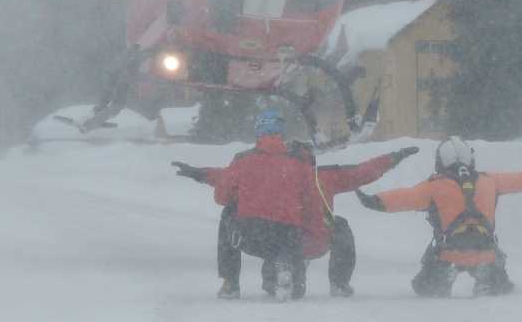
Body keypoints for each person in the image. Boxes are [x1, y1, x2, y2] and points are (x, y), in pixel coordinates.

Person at [173, 116, 418, 299]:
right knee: (338, 225)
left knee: (230, 215)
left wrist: (199, 174)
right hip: (300, 240)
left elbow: (226, 182)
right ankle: (338, 284)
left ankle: (231, 284)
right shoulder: (315, 175)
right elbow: (361, 173)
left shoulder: (247, 163)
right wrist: (393, 158)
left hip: (258, 238)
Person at [354, 137, 522, 297]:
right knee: (501, 283)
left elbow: (403, 198)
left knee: (423, 288)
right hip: (486, 252)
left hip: (449, 253)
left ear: (440, 161)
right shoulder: (490, 181)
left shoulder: (434, 186)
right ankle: (488, 277)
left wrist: (371, 201)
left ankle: (443, 277)